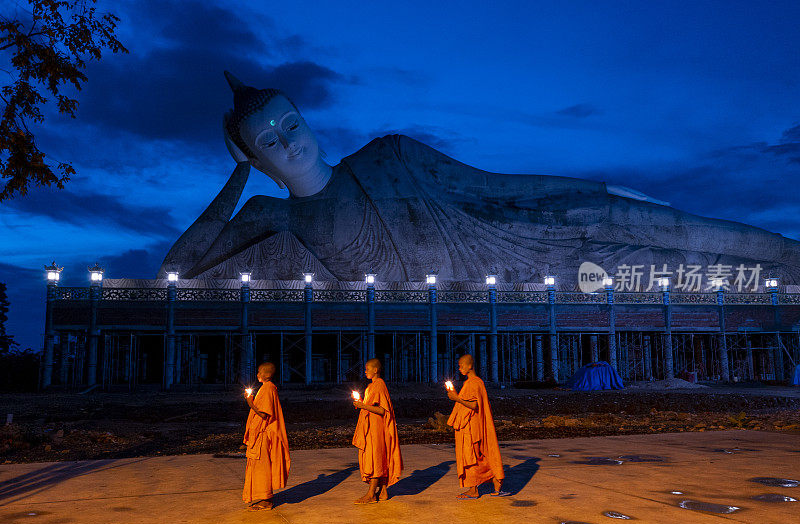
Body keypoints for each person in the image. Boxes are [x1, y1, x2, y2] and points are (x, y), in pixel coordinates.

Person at [159, 72, 800, 287]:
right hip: (493, 289)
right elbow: (174, 272)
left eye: (290, 124)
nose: (288, 143)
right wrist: (237, 177)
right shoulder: (278, 216)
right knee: (671, 266)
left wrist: (600, 189)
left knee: (659, 225)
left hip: (518, 234)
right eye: (268, 143)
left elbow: (490, 183)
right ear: (257, 159)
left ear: (309, 121)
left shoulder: (389, 154)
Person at [446, 354, 507, 499]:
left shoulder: (475, 382)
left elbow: (473, 405)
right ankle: (485, 483)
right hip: (468, 426)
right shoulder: (470, 382)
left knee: (473, 456)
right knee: (471, 456)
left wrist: (456, 398)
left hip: (472, 427)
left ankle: (493, 479)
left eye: (461, 365)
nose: (459, 368)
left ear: (470, 366)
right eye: (459, 365)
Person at [351, 358, 403, 504]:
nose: (365, 371)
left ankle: (371, 494)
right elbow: (371, 405)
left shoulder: (379, 385)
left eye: (368, 368)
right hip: (372, 427)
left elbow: (381, 410)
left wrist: (363, 406)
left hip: (377, 428)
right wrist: (362, 402)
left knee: (375, 459)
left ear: (376, 370)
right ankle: (383, 491)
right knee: (379, 457)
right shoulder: (371, 387)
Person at [243, 362, 290, 510]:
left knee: (262, 467)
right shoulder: (265, 388)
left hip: (264, 435)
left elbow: (264, 414)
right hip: (260, 434)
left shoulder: (268, 389)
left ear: (267, 375)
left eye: (259, 372)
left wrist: (250, 403)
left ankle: (266, 500)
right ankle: (263, 497)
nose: (257, 375)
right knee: (258, 467)